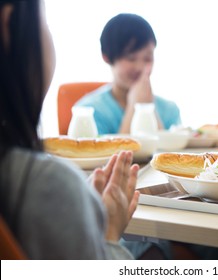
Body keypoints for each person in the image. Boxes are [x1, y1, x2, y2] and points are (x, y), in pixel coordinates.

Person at [0, 0, 140, 259]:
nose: (141, 67)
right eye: (45, 21)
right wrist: (108, 234)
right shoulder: (47, 185)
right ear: (9, 25)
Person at [75, 13, 181, 135]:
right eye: (131, 58)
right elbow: (102, 153)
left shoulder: (169, 110)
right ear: (107, 57)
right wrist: (135, 107)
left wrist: (147, 108)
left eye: (147, 58)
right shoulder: (88, 113)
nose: (140, 67)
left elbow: (170, 153)